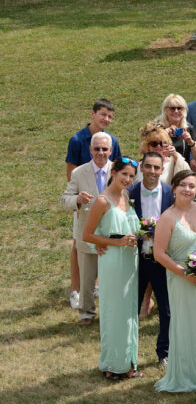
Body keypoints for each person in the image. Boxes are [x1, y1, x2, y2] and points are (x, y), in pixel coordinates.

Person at [153, 170, 196, 392]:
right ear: (174, 187)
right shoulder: (167, 217)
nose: (187, 190)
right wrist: (184, 273)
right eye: (183, 185)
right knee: (185, 324)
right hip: (180, 278)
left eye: (192, 186)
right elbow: (159, 253)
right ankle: (185, 374)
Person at [82, 156, 141, 380]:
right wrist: (115, 243)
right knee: (114, 311)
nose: (127, 179)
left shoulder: (125, 196)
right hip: (113, 260)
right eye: (124, 174)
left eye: (131, 176)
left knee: (128, 312)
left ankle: (128, 363)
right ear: (114, 172)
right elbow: (87, 234)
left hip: (130, 260)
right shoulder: (102, 201)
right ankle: (112, 365)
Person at [61, 131, 114, 324]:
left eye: (104, 149)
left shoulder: (119, 171)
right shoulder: (78, 173)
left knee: (111, 279)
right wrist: (77, 199)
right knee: (86, 278)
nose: (101, 153)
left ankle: (110, 313)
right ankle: (86, 313)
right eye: (97, 149)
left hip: (111, 234)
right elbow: (65, 199)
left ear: (111, 150)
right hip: (87, 232)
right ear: (90, 150)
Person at [127, 152, 174, 366]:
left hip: (162, 260)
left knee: (166, 309)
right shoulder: (129, 193)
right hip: (135, 259)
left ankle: (164, 352)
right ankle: (128, 353)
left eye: (156, 167)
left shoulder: (170, 193)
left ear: (162, 170)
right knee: (131, 308)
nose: (152, 171)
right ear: (141, 167)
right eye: (148, 166)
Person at [159, 94, 196, 167]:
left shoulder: (188, 128)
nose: (176, 111)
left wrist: (190, 142)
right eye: (172, 108)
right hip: (162, 169)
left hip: (182, 170)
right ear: (165, 110)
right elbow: (146, 150)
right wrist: (163, 135)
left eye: (180, 108)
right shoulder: (158, 128)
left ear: (184, 110)